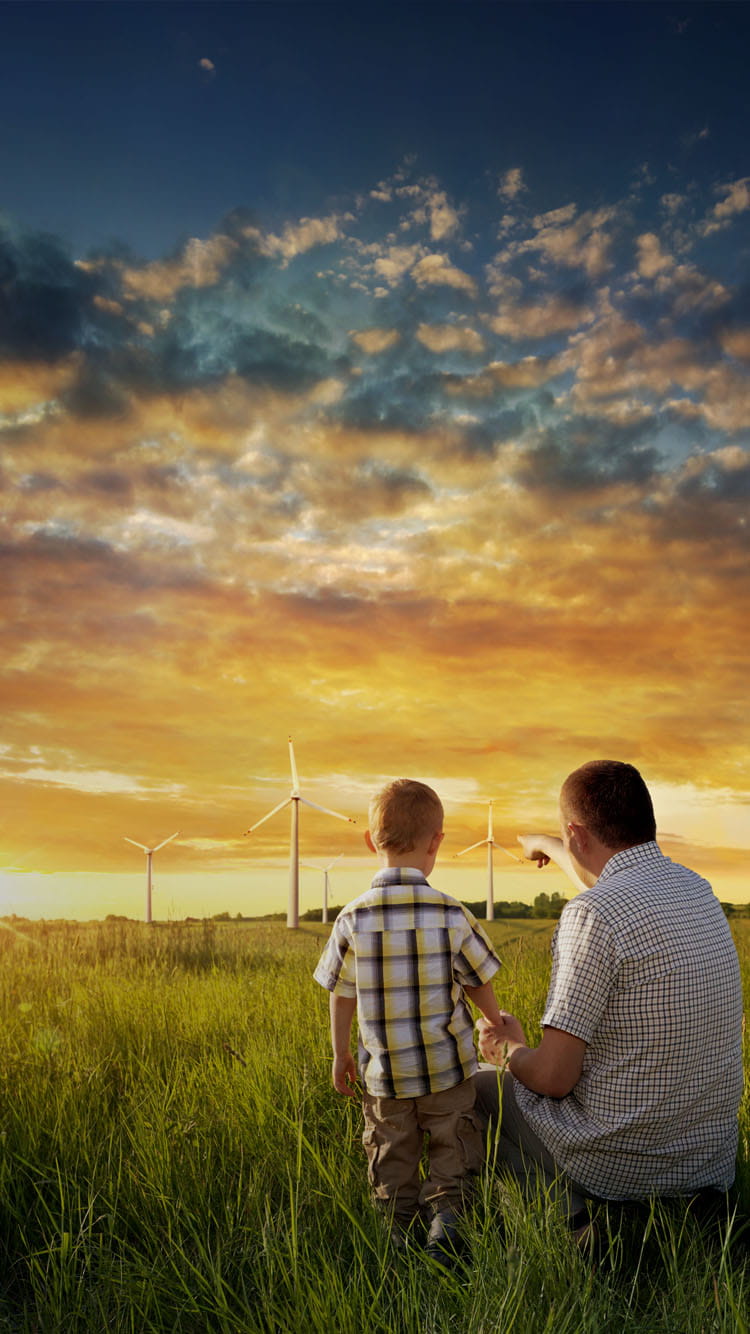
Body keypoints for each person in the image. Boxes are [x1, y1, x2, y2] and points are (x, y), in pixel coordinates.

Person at [474, 759, 744, 1232]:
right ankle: (685, 1219)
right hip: (707, 1164)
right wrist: (551, 845)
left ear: (579, 834)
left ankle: (578, 1228)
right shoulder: (698, 890)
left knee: (475, 1088)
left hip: (625, 1165)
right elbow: (615, 884)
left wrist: (507, 1050)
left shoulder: (592, 914)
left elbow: (555, 1078)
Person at [314, 778, 503, 1261]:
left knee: (391, 1154)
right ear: (436, 840)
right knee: (452, 1149)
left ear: (369, 841)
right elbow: (478, 979)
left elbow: (341, 994)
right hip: (448, 1069)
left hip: (384, 1077)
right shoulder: (451, 912)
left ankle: (396, 1235)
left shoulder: (352, 918)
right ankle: (448, 1224)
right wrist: (494, 1020)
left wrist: (340, 1054)